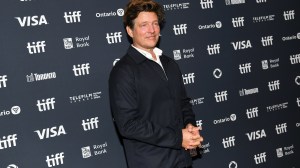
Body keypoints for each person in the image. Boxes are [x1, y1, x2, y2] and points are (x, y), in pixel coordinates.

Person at [109, 0, 203, 167]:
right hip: (152, 162)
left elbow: (183, 104)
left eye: (155, 24)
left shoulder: (170, 64)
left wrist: (189, 125)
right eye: (144, 25)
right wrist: (178, 138)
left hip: (182, 160)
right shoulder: (123, 71)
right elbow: (128, 125)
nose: (152, 30)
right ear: (130, 31)